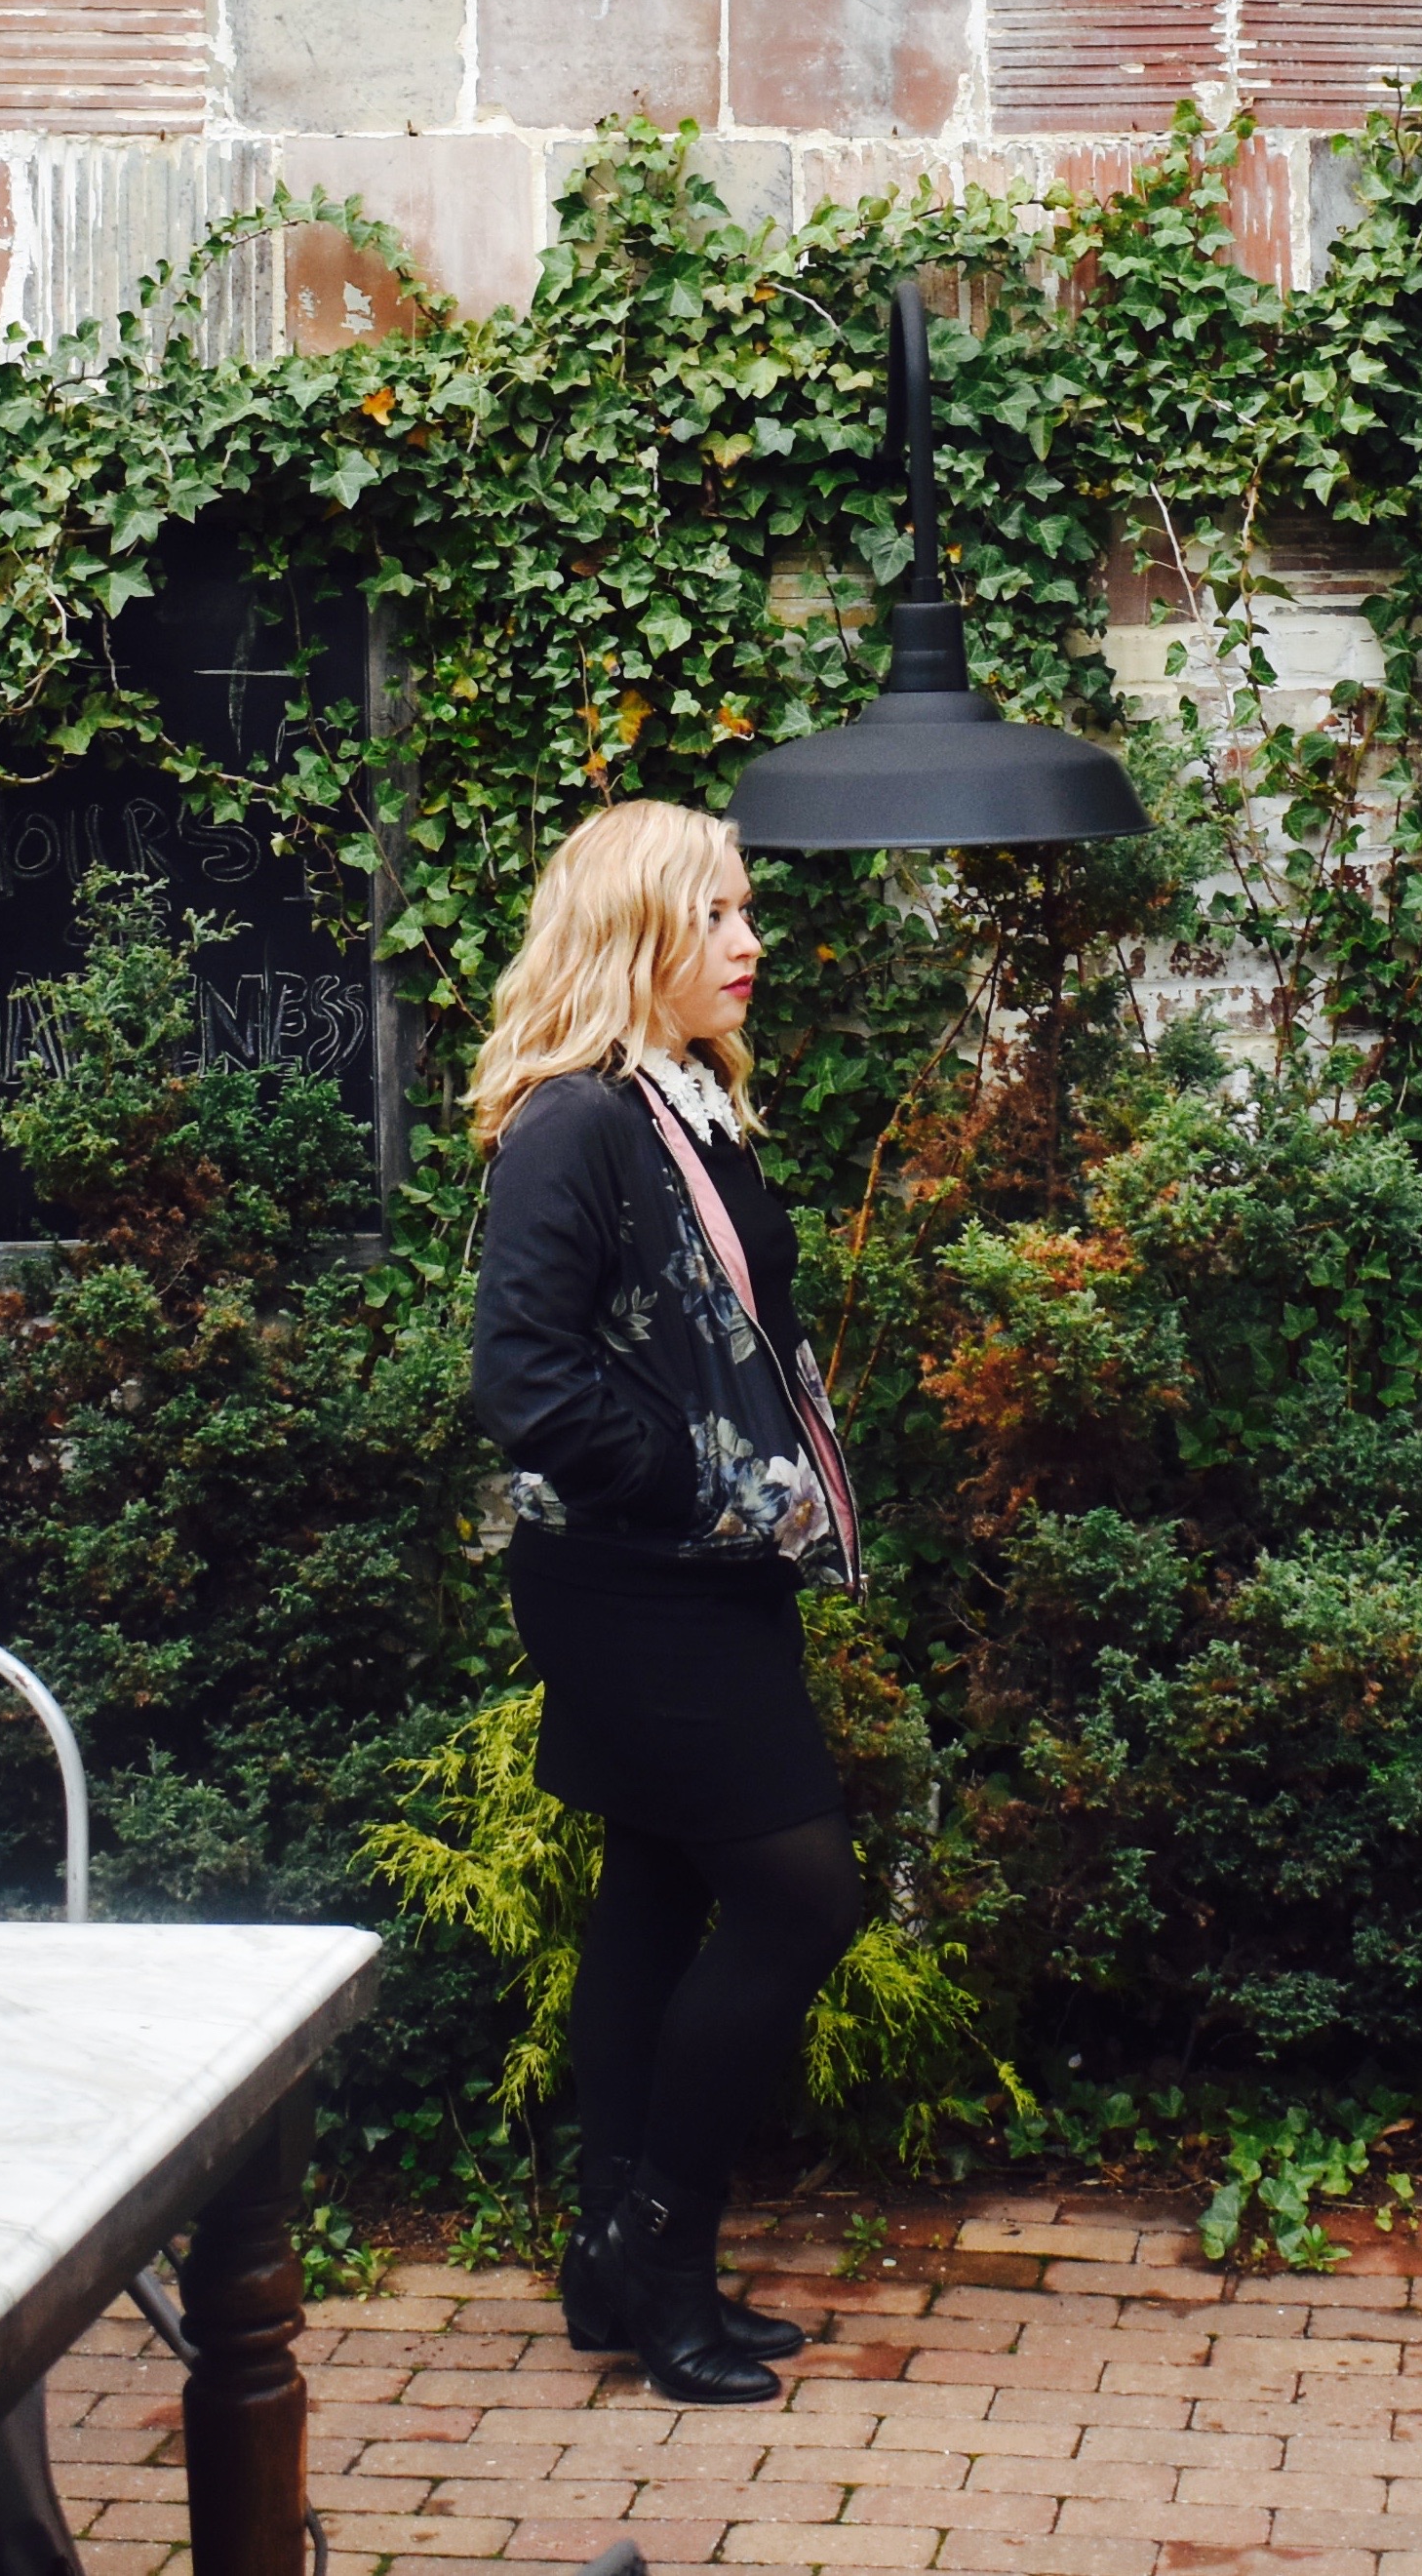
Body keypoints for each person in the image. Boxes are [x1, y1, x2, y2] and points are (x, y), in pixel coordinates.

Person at [463, 796, 864, 2406]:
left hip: (701, 1570)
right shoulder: (578, 1122)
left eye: (745, 909)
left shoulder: (682, 1104)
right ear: (634, 932)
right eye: (713, 914)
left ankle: (604, 2260)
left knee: (653, 1894)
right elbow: (525, 1381)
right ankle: (659, 2251)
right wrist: (697, 1476)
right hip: (638, 1580)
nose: (748, 940)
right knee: (797, 1899)